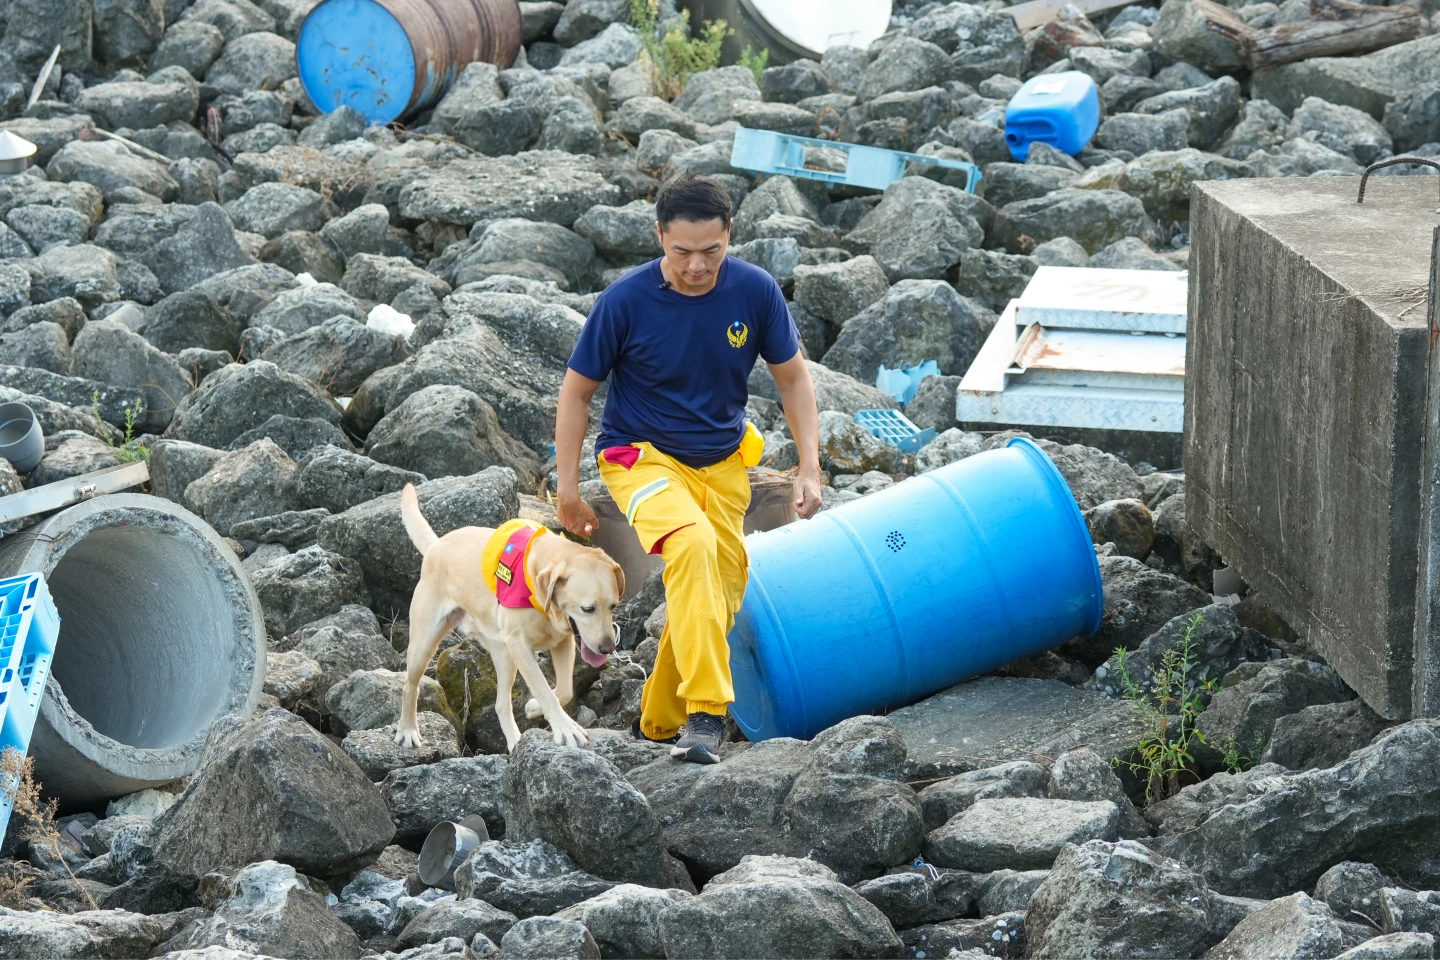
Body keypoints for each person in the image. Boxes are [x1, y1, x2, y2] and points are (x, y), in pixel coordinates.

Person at [555, 172, 823, 764]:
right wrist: (567, 489)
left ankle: (658, 721)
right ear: (659, 236)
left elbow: (794, 379)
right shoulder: (625, 301)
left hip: (723, 462)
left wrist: (809, 467)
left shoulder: (755, 291)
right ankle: (707, 713)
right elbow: (576, 394)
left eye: (712, 251)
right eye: (682, 252)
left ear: (730, 235)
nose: (697, 266)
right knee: (694, 546)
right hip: (638, 457)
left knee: (718, 588)